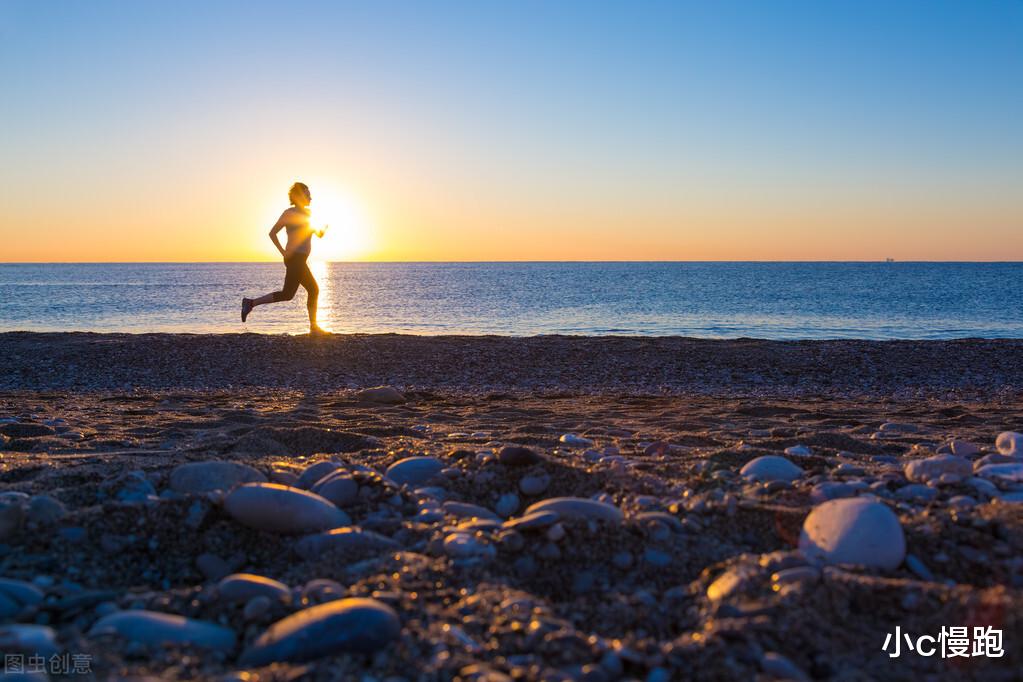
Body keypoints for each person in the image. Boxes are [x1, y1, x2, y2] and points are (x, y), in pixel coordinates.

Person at [241, 182, 327, 334]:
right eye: (307, 194)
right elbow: (272, 233)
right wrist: (283, 252)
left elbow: (315, 233)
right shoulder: (289, 213)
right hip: (294, 259)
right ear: (299, 196)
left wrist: (323, 230)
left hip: (300, 260)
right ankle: (314, 328)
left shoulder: (308, 214)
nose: (311, 198)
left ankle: (250, 303)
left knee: (289, 294)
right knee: (312, 290)